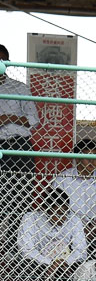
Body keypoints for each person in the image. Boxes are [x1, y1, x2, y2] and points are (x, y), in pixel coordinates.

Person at [16, 188, 88, 281]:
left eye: (64, 213)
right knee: (25, 264)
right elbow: (26, 249)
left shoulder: (74, 219)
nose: (62, 218)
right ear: (46, 209)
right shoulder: (31, 218)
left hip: (66, 263)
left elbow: (81, 251)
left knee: (83, 266)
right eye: (57, 213)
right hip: (40, 262)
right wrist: (50, 263)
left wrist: (64, 262)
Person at [0, 45, 40, 259]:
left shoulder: (20, 88)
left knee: (20, 196)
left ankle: (14, 244)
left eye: (3, 60)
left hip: (18, 145)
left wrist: (9, 118)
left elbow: (33, 120)